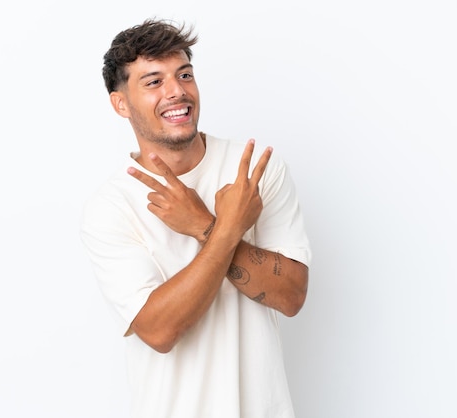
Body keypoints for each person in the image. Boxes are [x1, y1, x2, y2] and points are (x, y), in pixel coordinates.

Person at [80, 18, 311, 418]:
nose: (177, 91)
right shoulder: (111, 207)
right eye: (153, 82)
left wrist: (203, 225)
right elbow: (159, 331)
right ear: (121, 103)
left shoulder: (254, 169)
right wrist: (223, 227)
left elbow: (290, 296)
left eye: (184, 74)